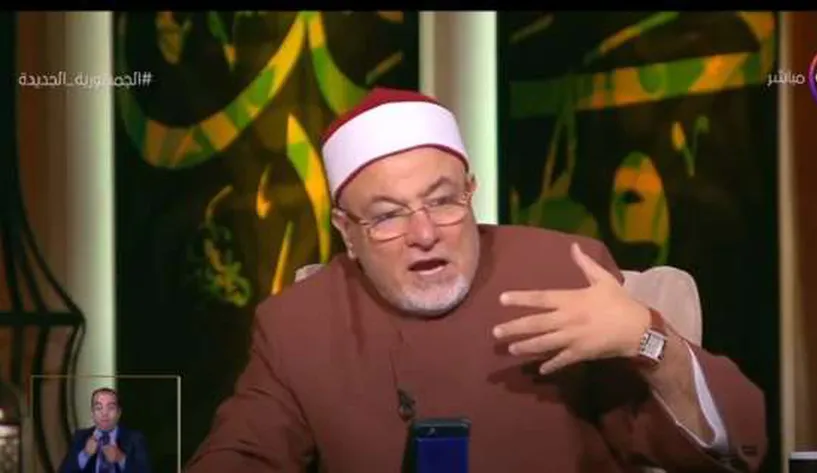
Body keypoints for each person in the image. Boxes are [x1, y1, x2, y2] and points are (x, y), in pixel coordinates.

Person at [186, 87, 767, 472]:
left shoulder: (564, 271)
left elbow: (730, 450)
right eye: (387, 216)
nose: (424, 234)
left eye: (443, 201)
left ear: (471, 192)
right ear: (346, 230)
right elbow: (244, 454)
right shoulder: (299, 324)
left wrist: (649, 340)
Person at [58, 387, 151, 473]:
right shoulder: (80, 437)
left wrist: (121, 459)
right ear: (92, 413)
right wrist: (85, 455)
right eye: (98, 408)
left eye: (110, 408)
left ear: (119, 413)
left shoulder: (135, 438)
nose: (104, 413)